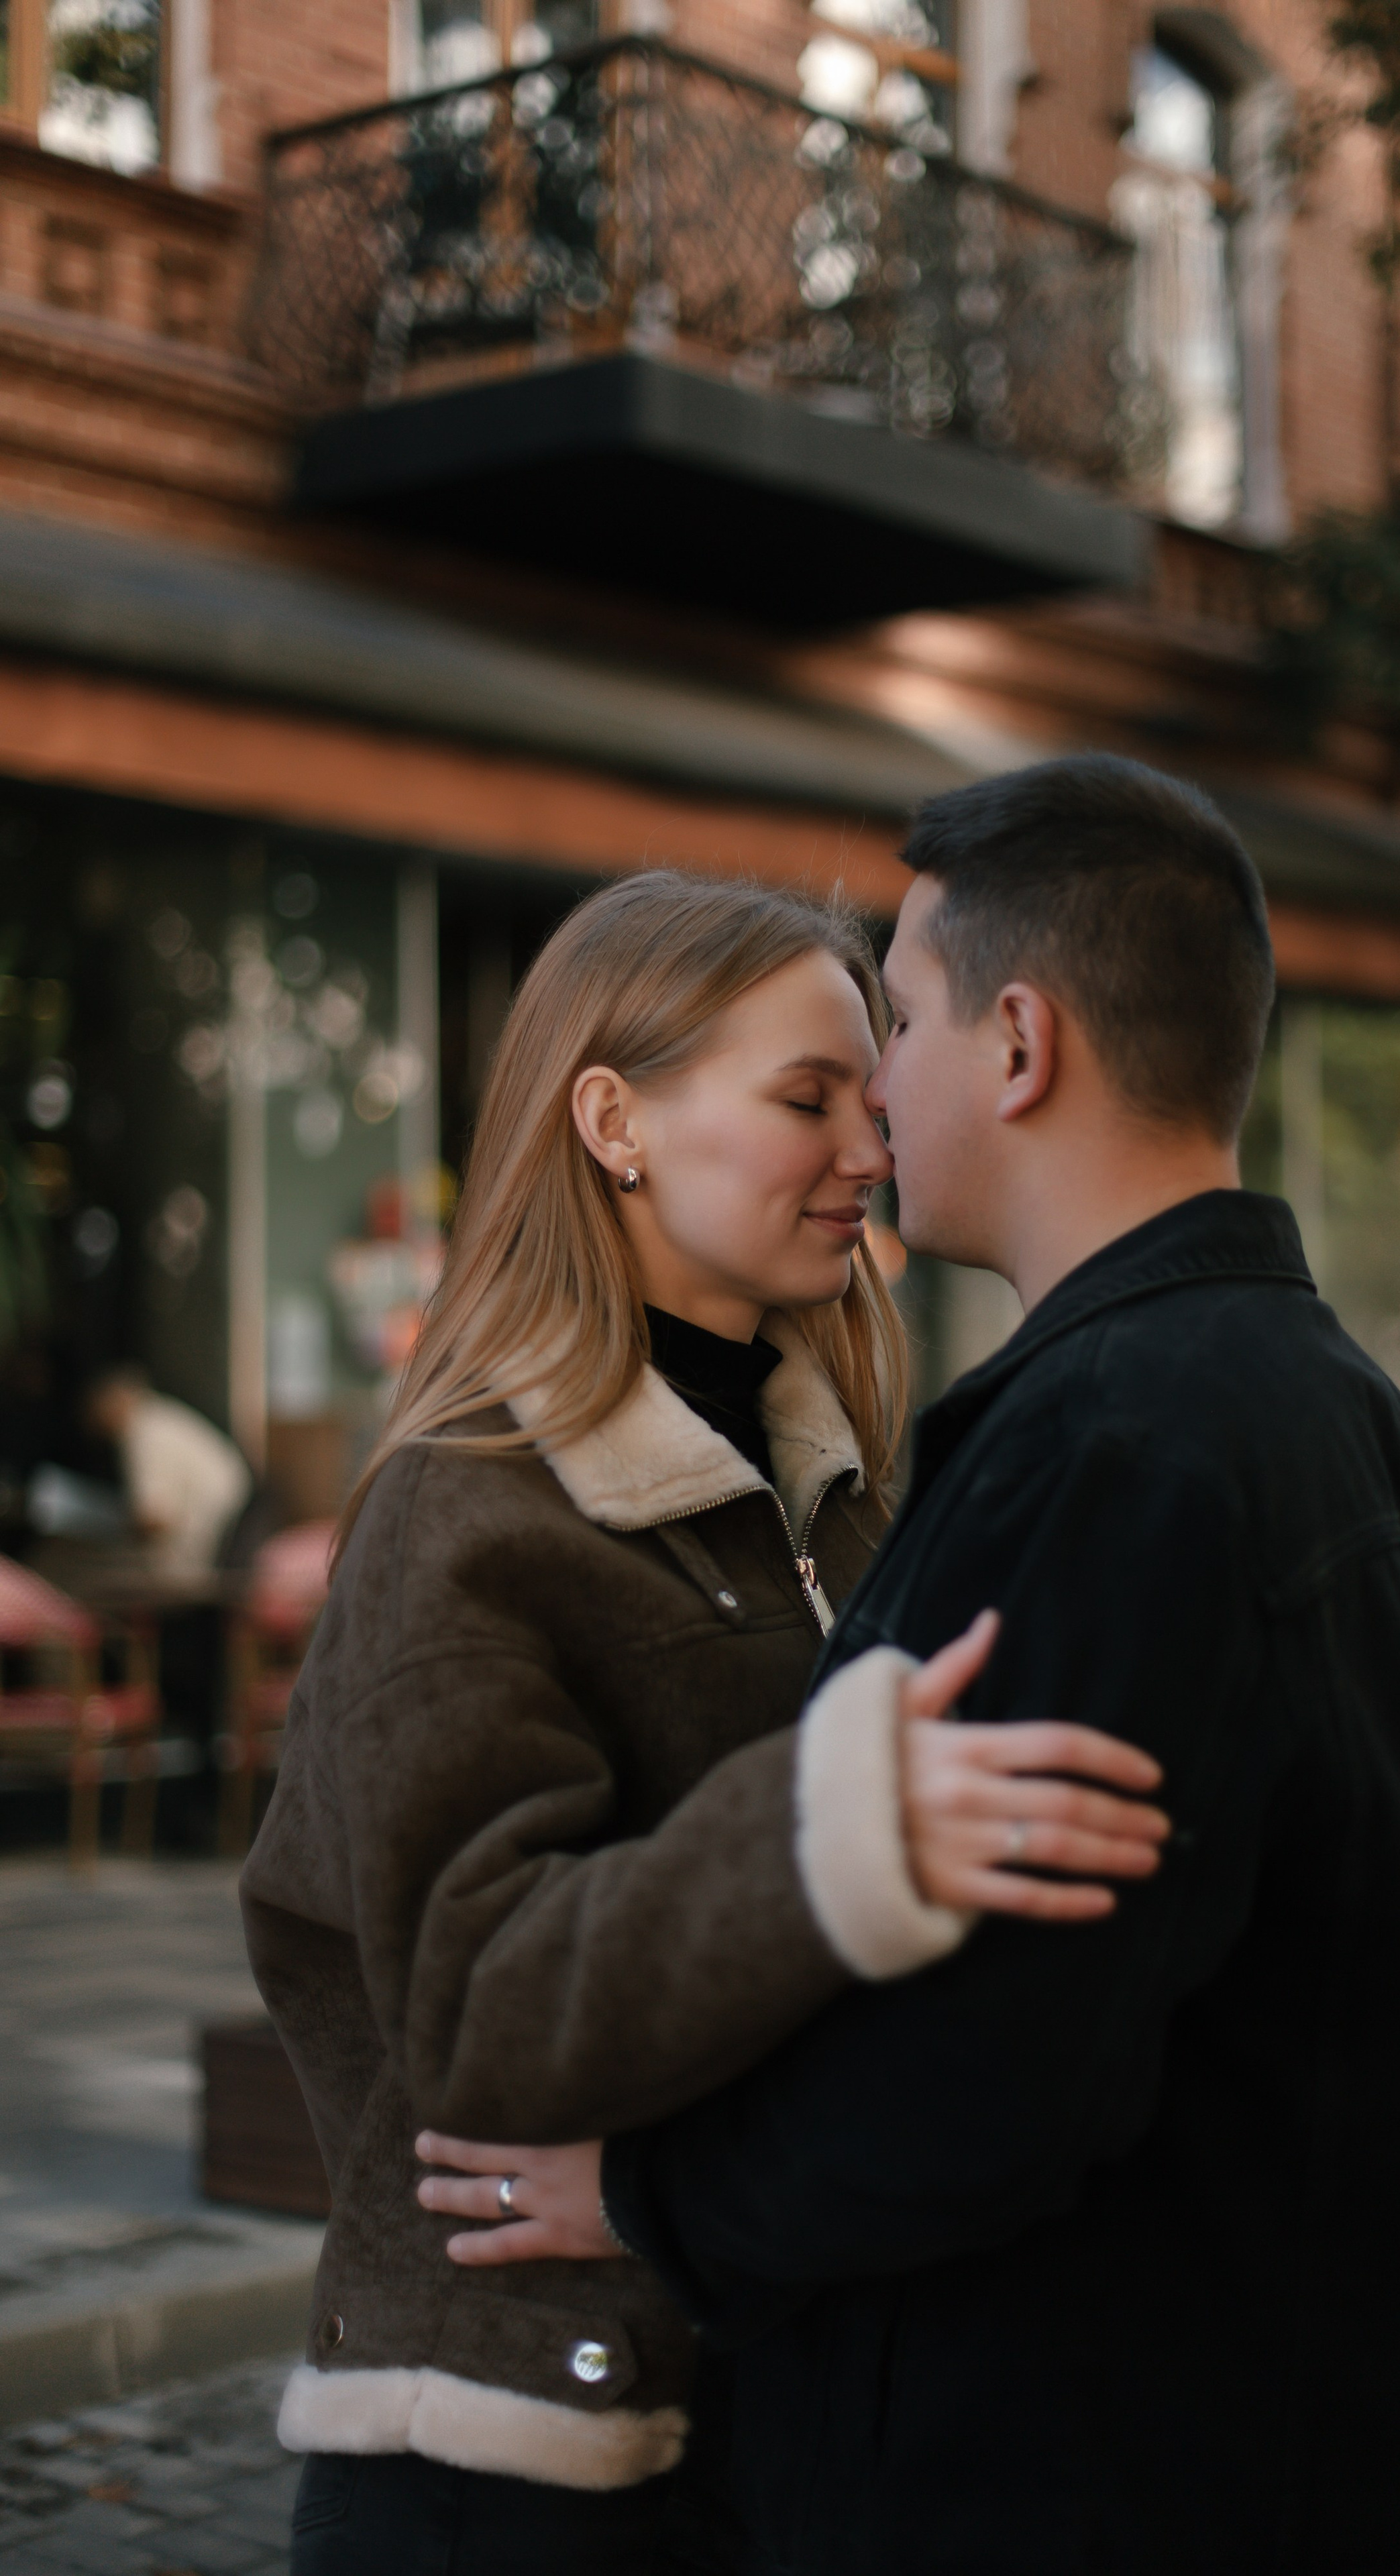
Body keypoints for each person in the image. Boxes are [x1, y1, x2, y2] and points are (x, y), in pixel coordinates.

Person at [426, 757, 1400, 2576]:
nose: (881, 1092)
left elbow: (990, 2070)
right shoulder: (1370, 1441)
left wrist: (645, 2194)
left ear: (1019, 1046)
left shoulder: (1121, 1452)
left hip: (1097, 2491)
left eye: (903, 1016)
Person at [239, 871, 1169, 2576]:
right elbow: (471, 2002)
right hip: (518, 2465)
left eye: (869, 1102)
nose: (867, 1151)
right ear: (614, 1119)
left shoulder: (842, 1493)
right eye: (804, 1100)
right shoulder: (468, 1507)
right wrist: (837, 1829)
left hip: (775, 2416)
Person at [85, 1364, 250, 1576]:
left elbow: (155, 1516)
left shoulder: (144, 1433)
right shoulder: (159, 1416)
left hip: (211, 1541)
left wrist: (110, 1527)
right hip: (228, 1527)